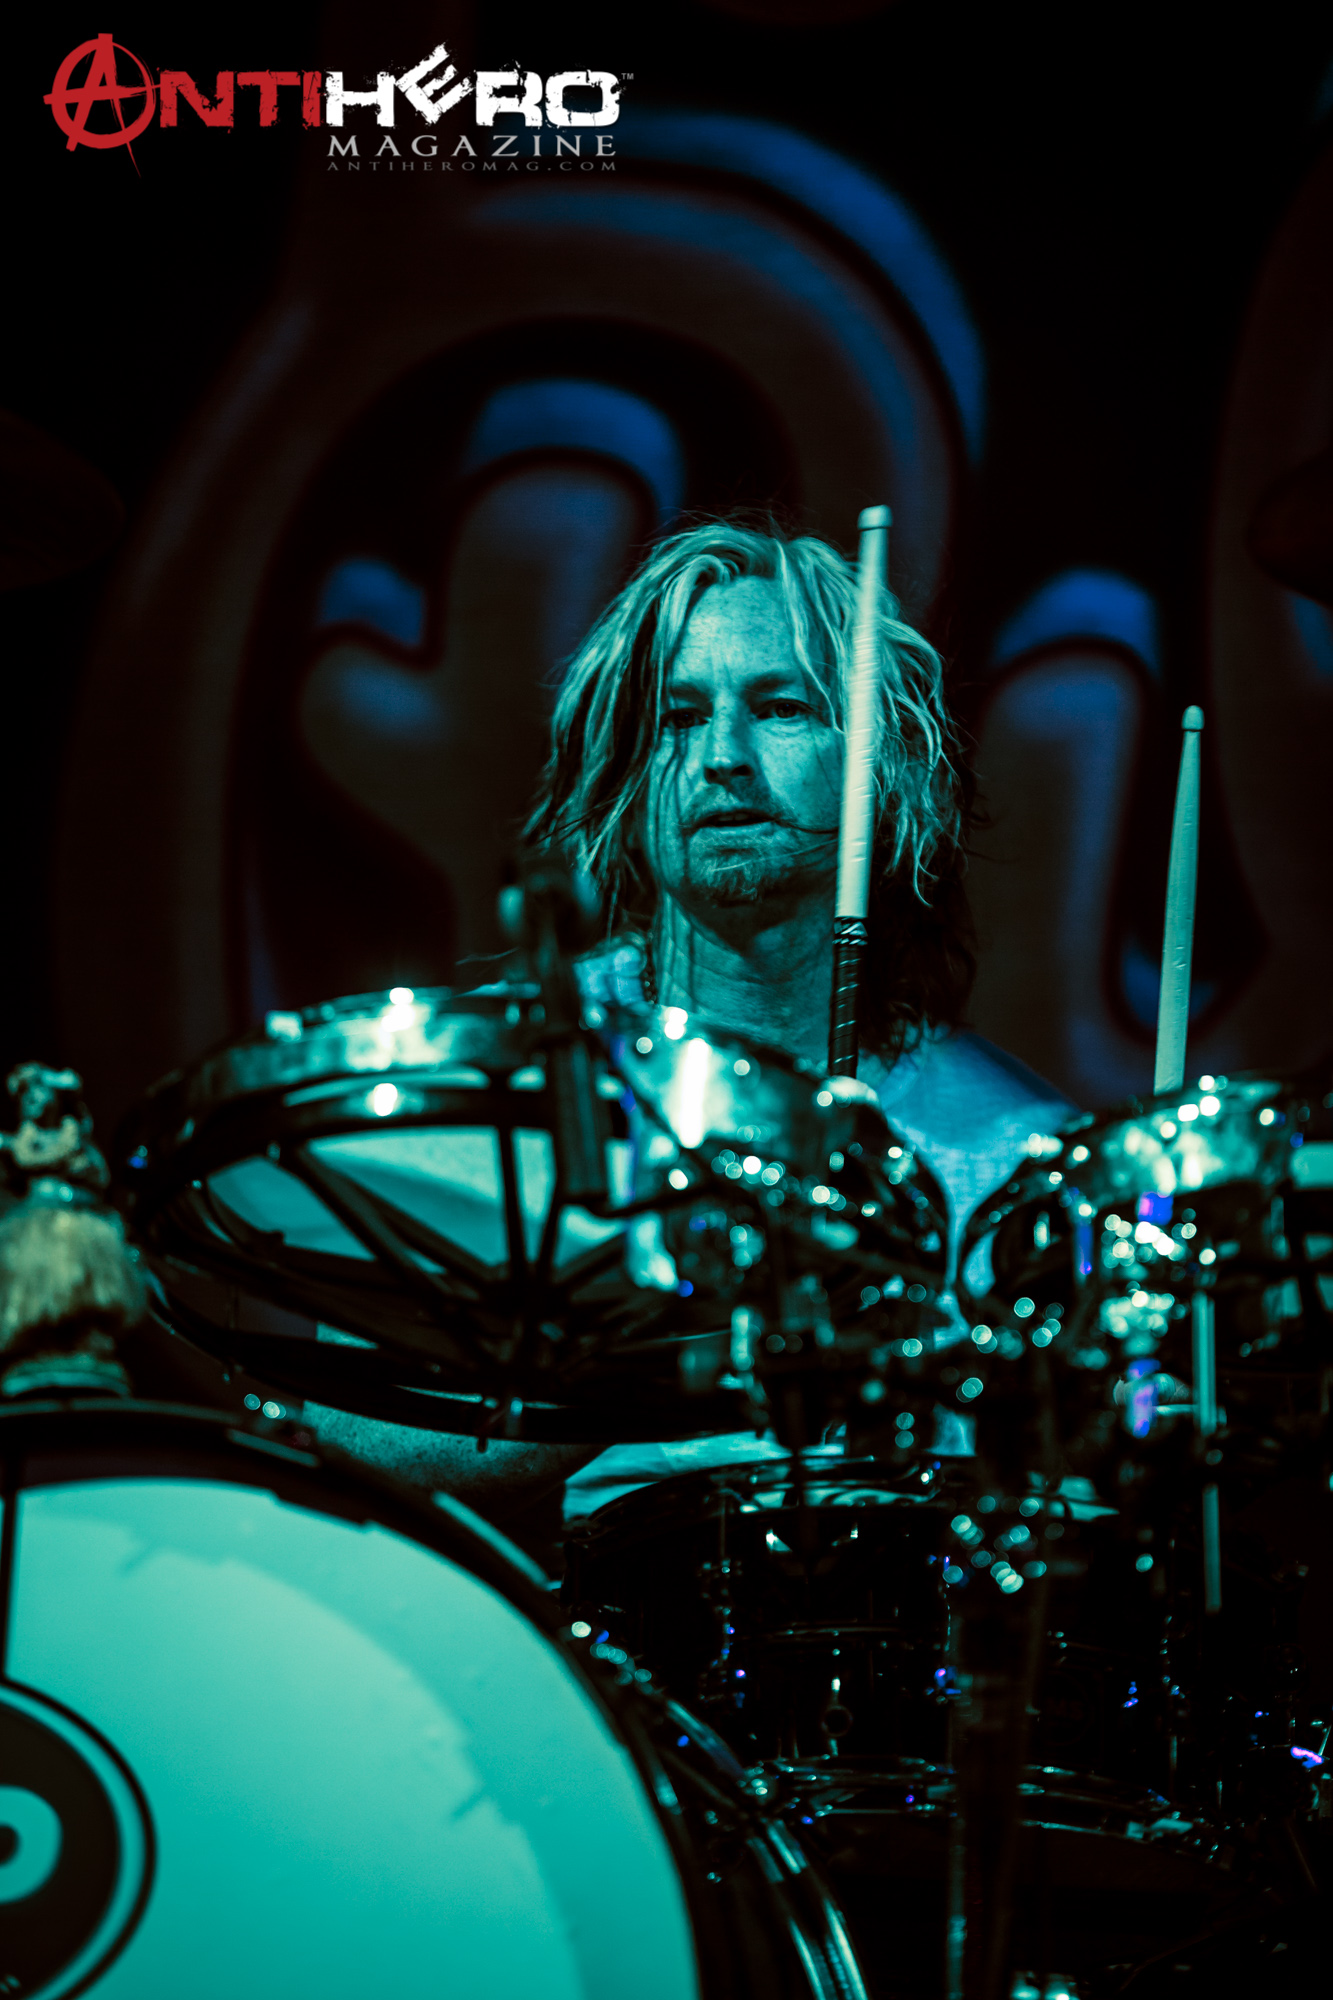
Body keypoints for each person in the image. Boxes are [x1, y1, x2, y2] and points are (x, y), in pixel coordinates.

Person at [308, 518, 1074, 1524]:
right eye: (677, 716)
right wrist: (686, 1323)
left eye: (781, 707)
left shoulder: (1017, 1153)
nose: (722, 756)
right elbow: (346, 1431)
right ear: (625, 781)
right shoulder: (496, 1083)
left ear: (884, 768)